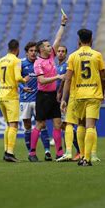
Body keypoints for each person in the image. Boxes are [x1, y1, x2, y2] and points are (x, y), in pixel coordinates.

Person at [61, 28, 105, 166]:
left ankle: (82, 155)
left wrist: (64, 99)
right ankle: (87, 158)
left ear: (79, 41)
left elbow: (68, 79)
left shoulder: (73, 56)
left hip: (79, 96)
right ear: (91, 40)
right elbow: (103, 77)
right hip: (94, 94)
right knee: (90, 126)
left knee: (80, 124)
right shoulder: (97, 55)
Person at [28, 14, 68, 162]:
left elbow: (57, 39)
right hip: (43, 96)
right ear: (41, 49)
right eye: (46, 45)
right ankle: (32, 153)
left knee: (58, 123)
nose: (50, 46)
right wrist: (57, 77)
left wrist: (62, 25)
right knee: (40, 124)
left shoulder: (51, 56)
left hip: (52, 96)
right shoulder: (38, 63)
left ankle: (59, 153)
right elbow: (41, 80)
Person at [0, 39, 30, 162]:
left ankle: (6, 151)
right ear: (17, 49)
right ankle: (10, 153)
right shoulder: (17, 61)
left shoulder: (0, 61)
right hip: (11, 96)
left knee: (8, 125)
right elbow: (17, 77)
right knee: (14, 125)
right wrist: (24, 79)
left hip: (1, 95)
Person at [19, 41, 52, 158]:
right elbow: (16, 79)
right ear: (27, 52)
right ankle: (31, 152)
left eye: (34, 51)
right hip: (24, 99)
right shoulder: (21, 63)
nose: (33, 53)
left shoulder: (40, 62)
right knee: (27, 125)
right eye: (31, 51)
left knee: (42, 124)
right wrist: (23, 86)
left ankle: (47, 151)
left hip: (38, 99)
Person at [56, 45, 82, 162]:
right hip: (58, 98)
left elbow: (65, 80)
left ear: (66, 54)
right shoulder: (57, 66)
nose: (60, 53)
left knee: (67, 124)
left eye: (63, 51)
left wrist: (61, 93)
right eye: (59, 51)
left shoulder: (67, 65)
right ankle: (75, 149)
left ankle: (77, 150)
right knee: (63, 125)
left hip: (65, 97)